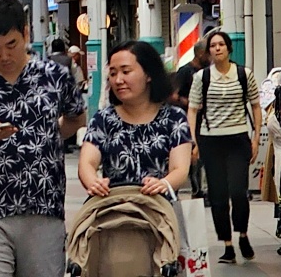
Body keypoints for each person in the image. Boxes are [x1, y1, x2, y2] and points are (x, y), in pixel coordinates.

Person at [0, 0, 86, 277]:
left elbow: (76, 117)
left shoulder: (54, 77)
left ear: (25, 34)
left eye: (11, 44)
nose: (4, 56)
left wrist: (48, 136)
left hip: (43, 208)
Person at [77, 41, 193, 199]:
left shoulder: (174, 118)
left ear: (148, 74)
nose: (118, 80)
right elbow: (87, 162)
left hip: (159, 213)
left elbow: (179, 169)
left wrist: (163, 184)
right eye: (112, 74)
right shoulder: (103, 119)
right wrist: (94, 183)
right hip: (114, 211)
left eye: (126, 71)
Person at [187, 30, 262, 264]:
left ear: (229, 48)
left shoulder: (243, 74)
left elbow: (256, 105)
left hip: (238, 138)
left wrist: (256, 137)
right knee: (218, 195)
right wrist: (194, 141)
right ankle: (227, 244)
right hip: (211, 140)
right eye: (213, 45)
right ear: (208, 51)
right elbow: (192, 109)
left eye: (221, 44)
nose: (217, 48)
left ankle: (243, 234)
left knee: (239, 192)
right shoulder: (202, 77)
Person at [171, 40, 209, 197]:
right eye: (208, 53)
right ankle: (192, 189)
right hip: (186, 119)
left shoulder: (207, 72)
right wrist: (190, 103)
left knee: (201, 155)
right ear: (200, 54)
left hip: (205, 120)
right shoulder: (185, 72)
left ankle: (201, 189)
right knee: (189, 155)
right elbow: (173, 96)